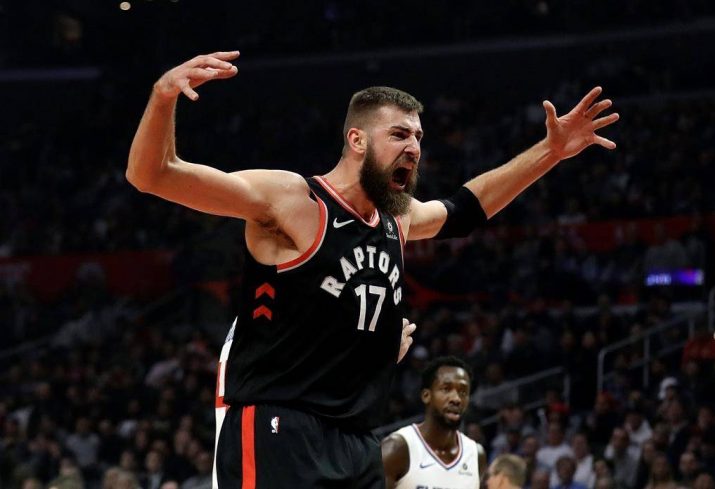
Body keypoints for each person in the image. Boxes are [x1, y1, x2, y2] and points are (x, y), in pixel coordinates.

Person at [126, 51, 619, 488]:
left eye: (419, 137)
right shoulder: (293, 200)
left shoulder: (396, 219)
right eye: (400, 134)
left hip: (357, 442)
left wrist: (551, 152)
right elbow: (151, 175)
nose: (414, 148)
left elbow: (466, 209)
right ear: (357, 139)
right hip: (280, 427)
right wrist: (162, 96)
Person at [381, 356, 486, 488]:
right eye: (446, 389)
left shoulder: (476, 455)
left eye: (463, 392)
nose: (456, 398)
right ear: (426, 396)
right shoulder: (397, 449)